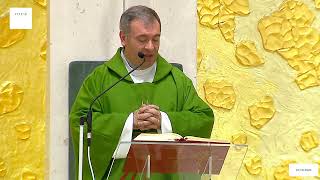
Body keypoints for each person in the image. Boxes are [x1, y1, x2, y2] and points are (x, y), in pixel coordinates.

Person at [70, 5, 214, 180]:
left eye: (156, 39)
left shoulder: (178, 81)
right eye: (143, 39)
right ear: (123, 38)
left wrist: (163, 120)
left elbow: (203, 118)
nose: (151, 47)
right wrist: (129, 122)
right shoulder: (100, 80)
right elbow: (81, 123)